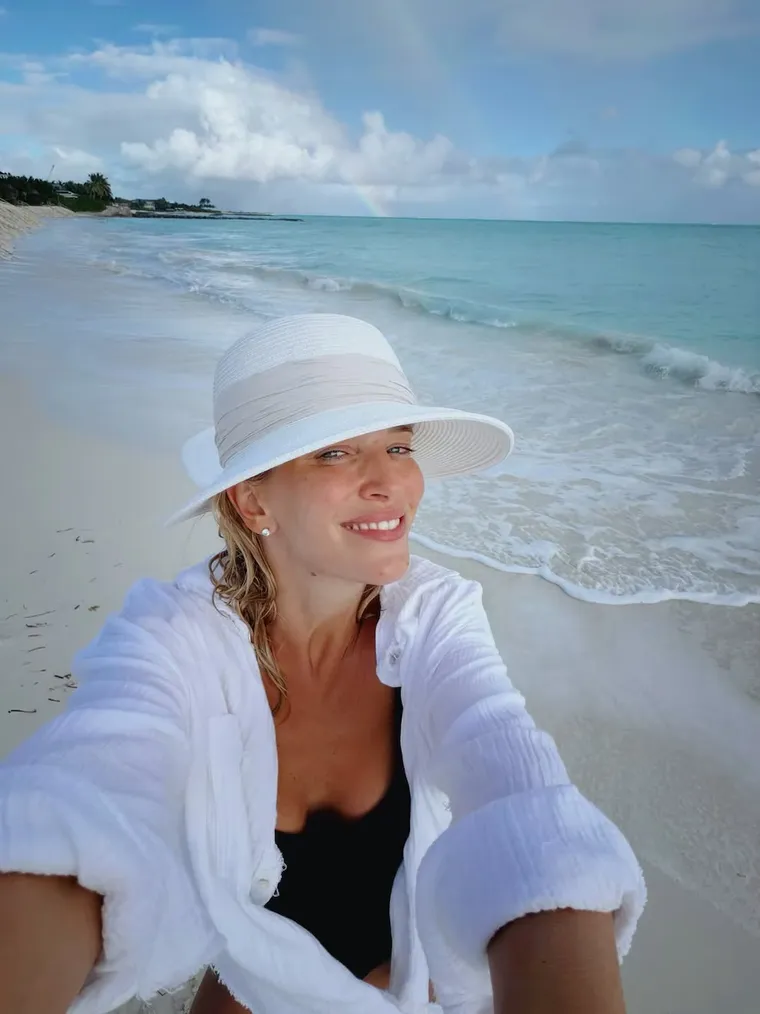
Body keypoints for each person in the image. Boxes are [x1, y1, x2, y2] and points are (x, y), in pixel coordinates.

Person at [0, 313, 645, 1014]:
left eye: (398, 446)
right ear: (252, 501)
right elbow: (82, 796)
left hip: (419, 981)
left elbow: (524, 803)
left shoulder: (437, 619)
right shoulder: (171, 634)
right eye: (334, 453)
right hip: (257, 981)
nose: (389, 483)